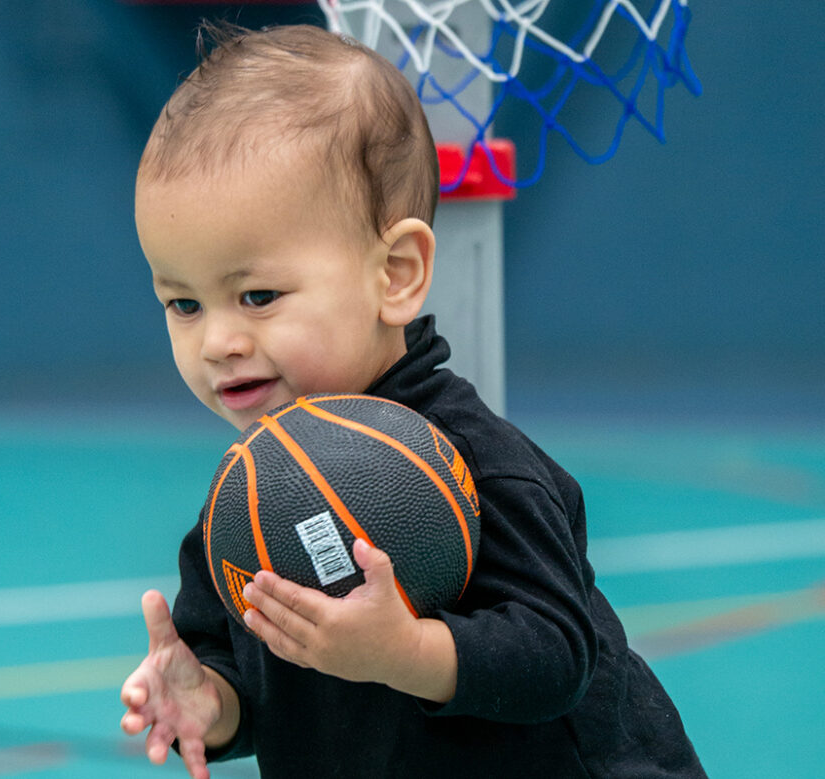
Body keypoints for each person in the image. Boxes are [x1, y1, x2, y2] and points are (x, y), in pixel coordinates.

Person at [120, 22, 706, 779]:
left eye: (257, 294)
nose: (217, 341)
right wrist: (209, 701)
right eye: (183, 304)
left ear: (395, 273)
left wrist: (407, 653)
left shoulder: (477, 462)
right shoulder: (246, 503)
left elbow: (558, 655)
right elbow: (236, 664)